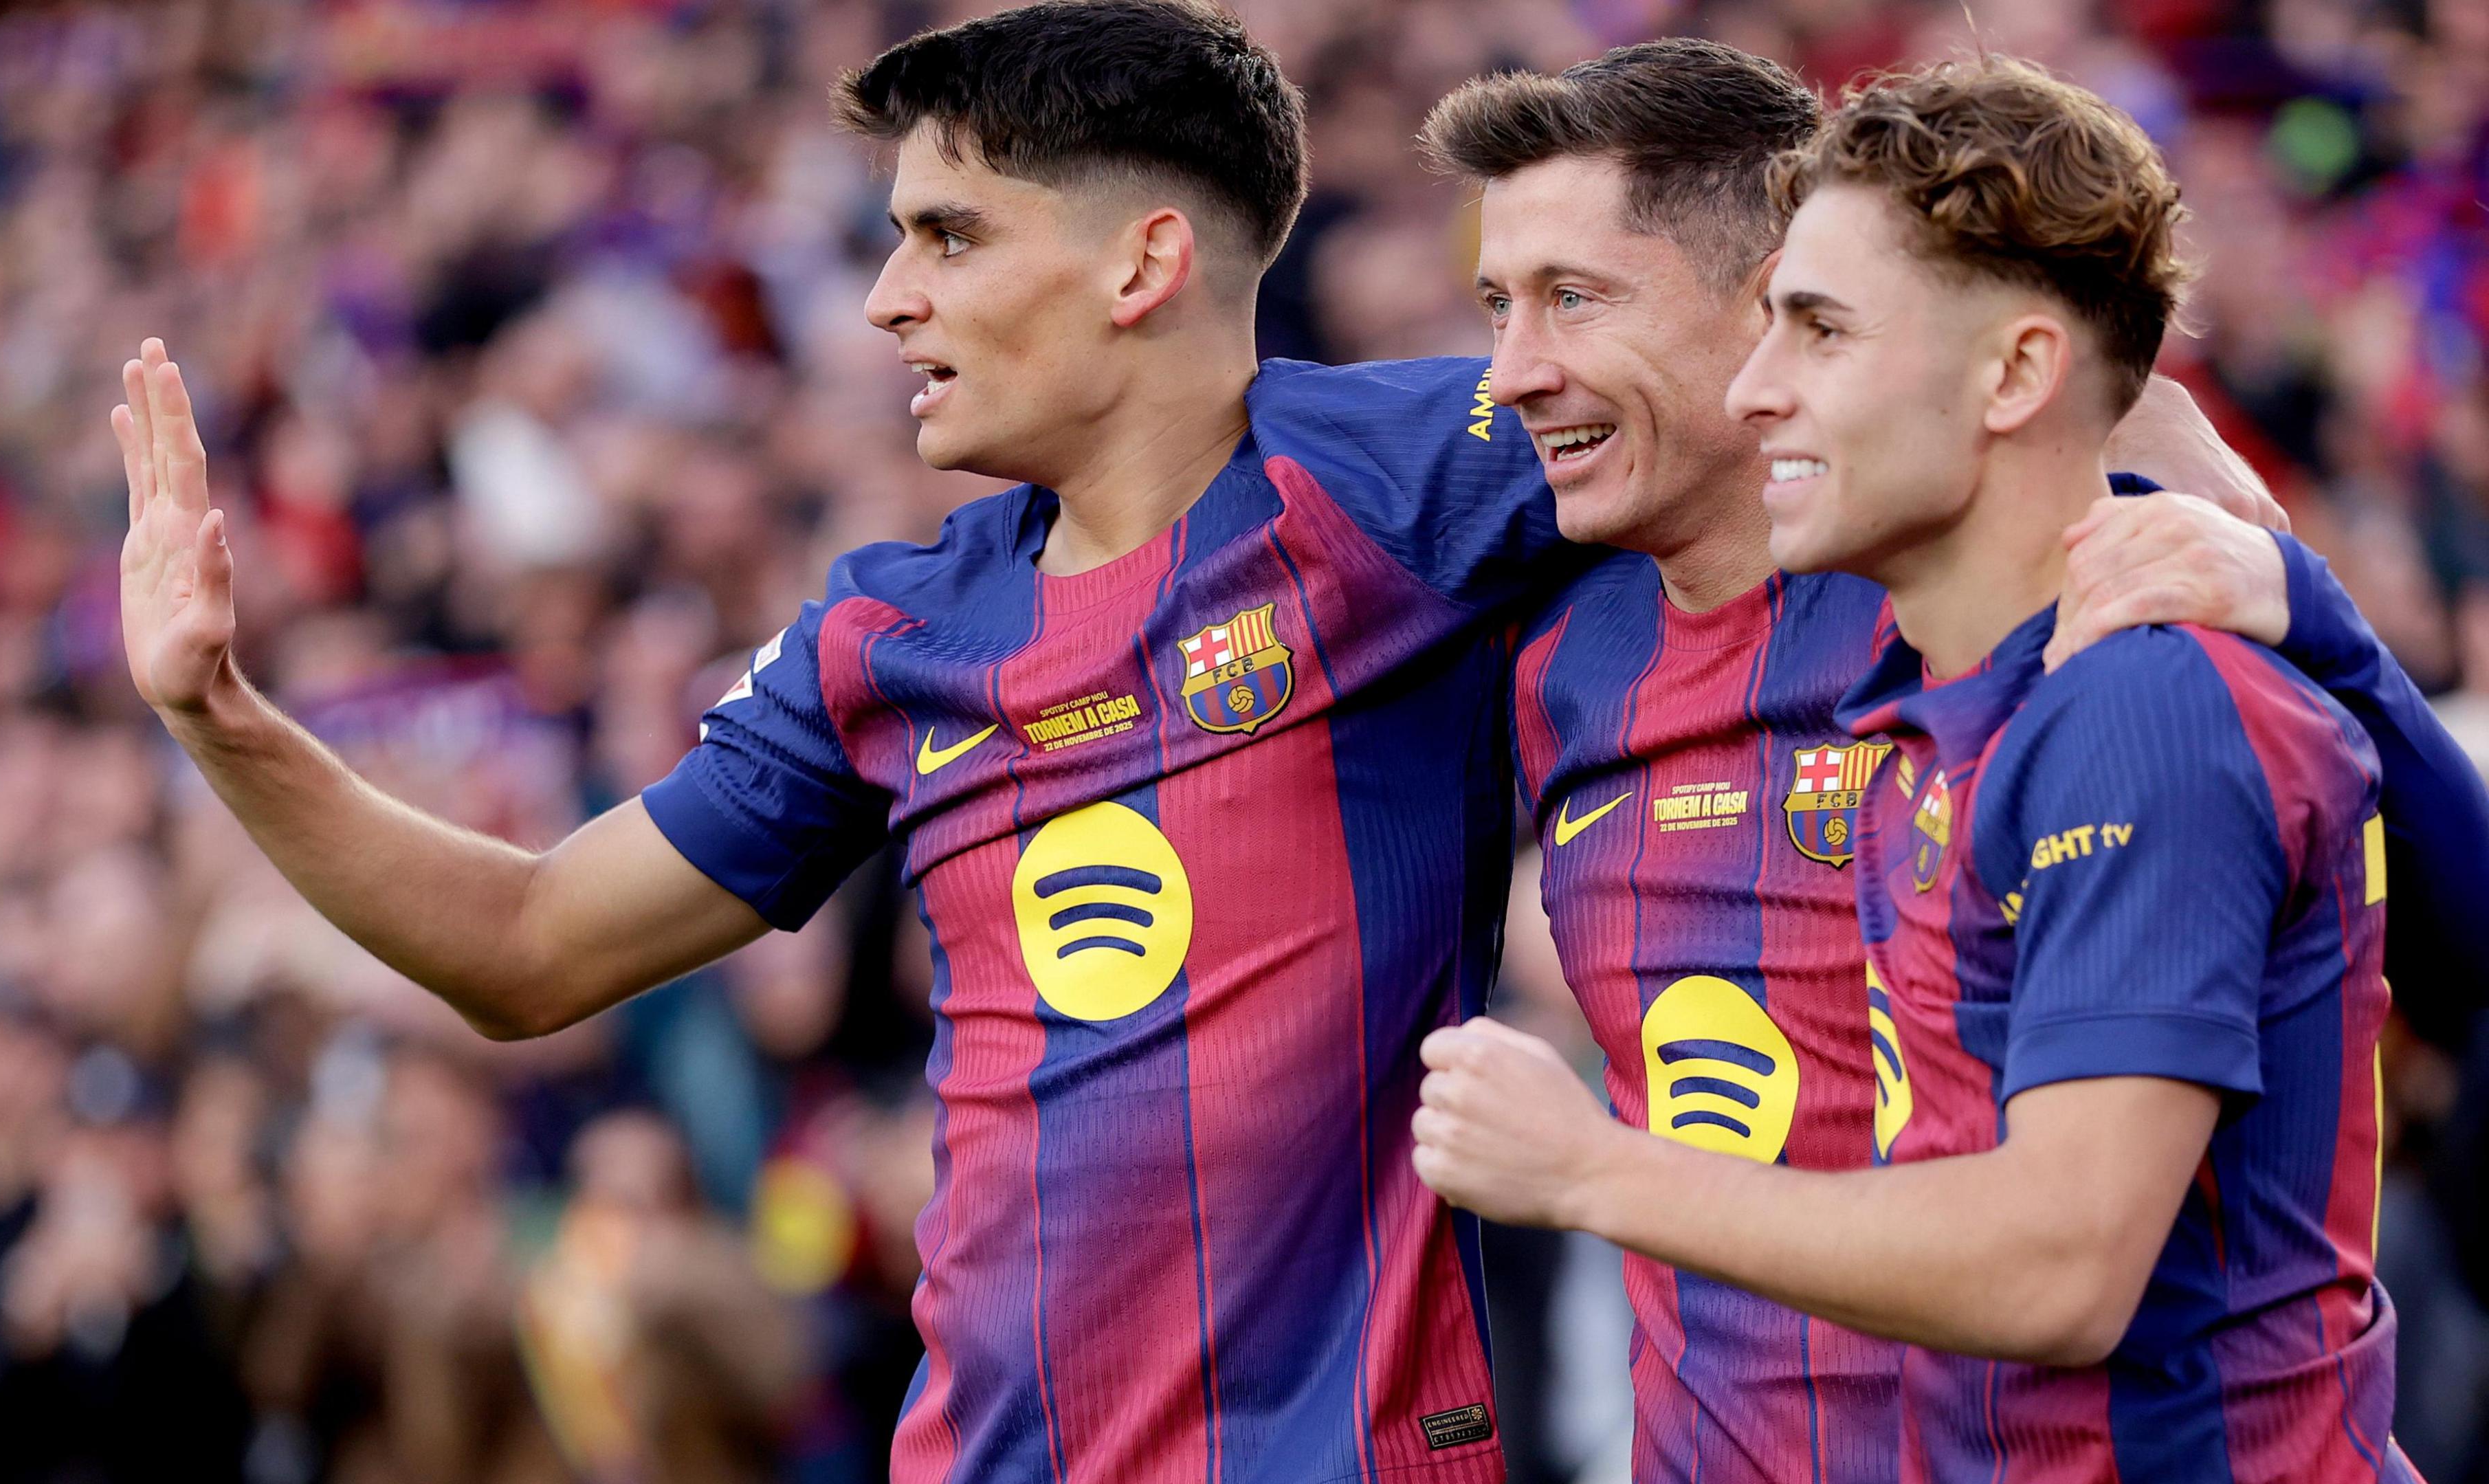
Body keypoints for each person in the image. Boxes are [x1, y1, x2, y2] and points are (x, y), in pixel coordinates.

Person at [115, 5, 2374, 1479]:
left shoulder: (1426, 478)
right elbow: (523, 947)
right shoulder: (883, 635)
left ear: (1141, 269)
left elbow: (1996, 373)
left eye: (942, 236)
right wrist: (225, 718)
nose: (887, 298)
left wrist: (2269, 584)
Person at [1417, 38, 2489, 1483]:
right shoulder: (1583, 656)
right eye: (1497, 305)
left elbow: (2064, 1263)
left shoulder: (2093, 640)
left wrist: (2324, 626)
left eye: (1574, 297)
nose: (1509, 374)